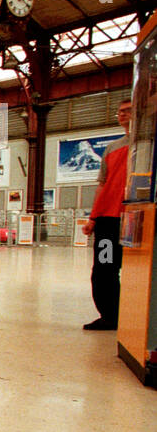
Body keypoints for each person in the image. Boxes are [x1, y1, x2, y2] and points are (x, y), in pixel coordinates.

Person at [82, 99, 131, 330]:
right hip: (109, 221)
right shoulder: (112, 148)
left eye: (128, 111)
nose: (122, 115)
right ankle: (110, 316)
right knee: (104, 268)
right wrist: (93, 217)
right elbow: (103, 184)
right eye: (120, 112)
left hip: (137, 218)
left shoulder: (148, 144)